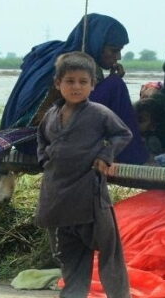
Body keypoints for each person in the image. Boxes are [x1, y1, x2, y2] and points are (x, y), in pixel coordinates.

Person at [36, 52, 132, 298]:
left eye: (82, 81)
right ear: (58, 84)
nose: (76, 87)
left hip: (90, 197)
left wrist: (104, 155)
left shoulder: (99, 113)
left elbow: (123, 134)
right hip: (57, 197)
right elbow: (41, 139)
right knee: (70, 257)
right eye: (70, 81)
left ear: (92, 85)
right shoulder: (50, 116)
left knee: (110, 253)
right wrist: (45, 159)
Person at [2, 13, 147, 164]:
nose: (118, 57)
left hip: (19, 140)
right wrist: (112, 82)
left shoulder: (54, 51)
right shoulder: (78, 62)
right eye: (114, 50)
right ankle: (133, 155)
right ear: (97, 43)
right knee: (116, 87)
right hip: (40, 142)